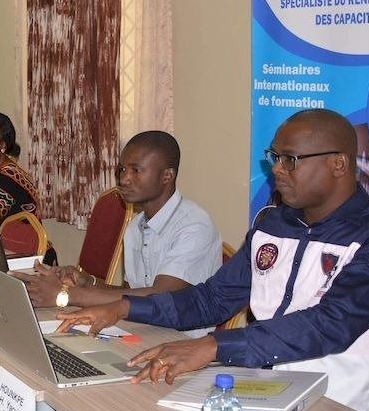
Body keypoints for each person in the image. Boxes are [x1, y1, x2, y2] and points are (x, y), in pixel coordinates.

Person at [58, 109, 369, 411]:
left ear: (338, 164)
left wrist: (214, 346)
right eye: (275, 157)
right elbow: (212, 299)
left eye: (290, 160)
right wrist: (124, 306)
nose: (277, 169)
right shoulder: (273, 225)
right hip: (263, 392)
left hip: (344, 407)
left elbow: (330, 324)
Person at [20, 131, 221, 312]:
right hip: (142, 324)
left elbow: (162, 297)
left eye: (136, 170)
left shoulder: (194, 227)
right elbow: (130, 293)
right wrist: (86, 282)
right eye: (122, 169)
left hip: (181, 336)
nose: (124, 179)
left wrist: (66, 295)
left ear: (167, 176)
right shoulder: (136, 226)